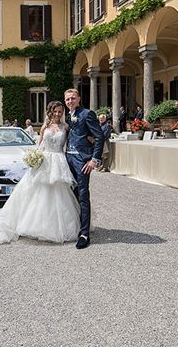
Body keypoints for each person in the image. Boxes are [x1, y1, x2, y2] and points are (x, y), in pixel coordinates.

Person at [0, 101, 81, 244]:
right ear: (50, 112)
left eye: (60, 112)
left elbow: (74, 141)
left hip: (59, 162)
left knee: (59, 194)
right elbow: (39, 146)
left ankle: (59, 225)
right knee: (40, 193)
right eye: (55, 111)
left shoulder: (66, 127)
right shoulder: (45, 127)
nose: (57, 114)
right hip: (46, 162)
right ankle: (37, 224)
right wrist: (35, 158)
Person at [65, 88, 104, 249]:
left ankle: (84, 234)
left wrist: (94, 160)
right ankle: (74, 227)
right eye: (67, 99)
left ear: (79, 99)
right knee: (69, 195)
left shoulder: (87, 114)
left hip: (82, 161)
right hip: (67, 159)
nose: (70, 101)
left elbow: (99, 136)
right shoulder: (66, 116)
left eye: (73, 98)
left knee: (82, 195)